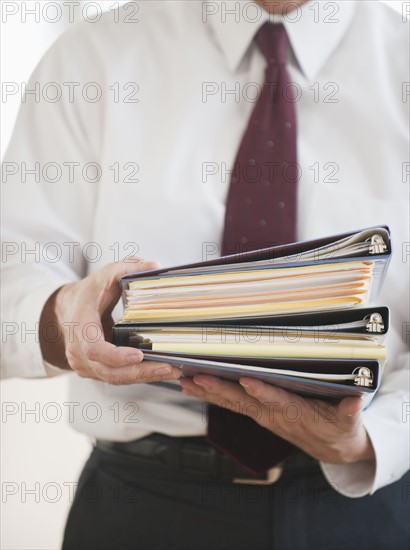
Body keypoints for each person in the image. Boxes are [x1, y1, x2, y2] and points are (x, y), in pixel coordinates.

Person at [2, 1, 409, 549]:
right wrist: (63, 318)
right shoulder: (92, 56)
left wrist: (369, 442)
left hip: (372, 506)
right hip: (145, 507)